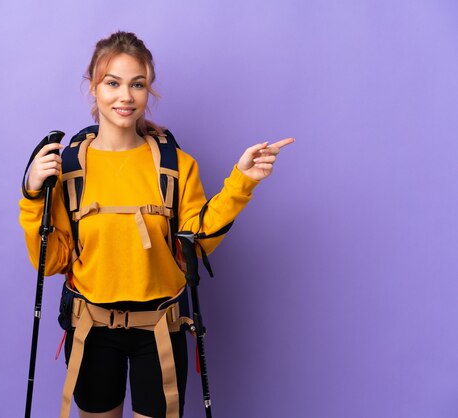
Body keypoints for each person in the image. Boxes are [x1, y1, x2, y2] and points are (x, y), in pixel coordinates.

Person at [19, 31, 294, 418]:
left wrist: (242, 181)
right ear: (93, 89)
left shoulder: (176, 165)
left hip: (161, 330)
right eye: (112, 83)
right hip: (92, 331)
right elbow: (50, 262)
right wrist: (33, 194)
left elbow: (195, 242)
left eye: (138, 84)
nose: (125, 96)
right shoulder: (67, 169)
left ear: (149, 91)